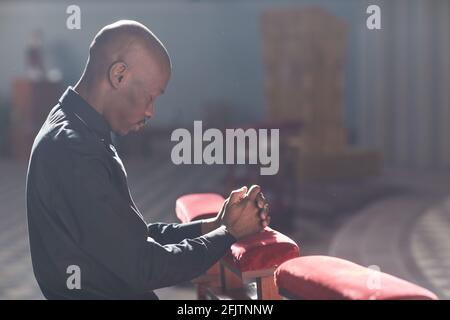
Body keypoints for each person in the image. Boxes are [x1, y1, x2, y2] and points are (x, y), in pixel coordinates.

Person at [26, 20, 270, 300]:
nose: (152, 111)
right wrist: (229, 234)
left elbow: (130, 240)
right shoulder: (73, 150)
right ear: (119, 75)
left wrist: (215, 224)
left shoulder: (81, 130)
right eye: (150, 97)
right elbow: (143, 266)